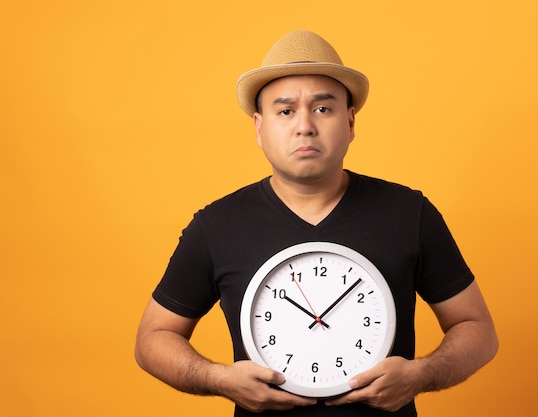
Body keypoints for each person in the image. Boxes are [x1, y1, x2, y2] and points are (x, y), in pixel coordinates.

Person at [135, 30, 498, 417]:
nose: (305, 126)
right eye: (285, 110)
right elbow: (153, 339)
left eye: (323, 109)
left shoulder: (409, 213)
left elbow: (478, 330)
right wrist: (220, 379)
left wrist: (419, 375)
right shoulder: (216, 226)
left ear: (350, 121)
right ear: (260, 127)